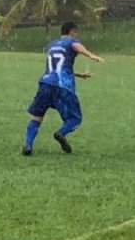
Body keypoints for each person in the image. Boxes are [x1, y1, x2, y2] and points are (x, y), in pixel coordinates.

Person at [22, 21, 104, 156]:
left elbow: (57, 67)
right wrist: (91, 55)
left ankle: (28, 145)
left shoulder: (52, 45)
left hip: (46, 82)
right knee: (75, 119)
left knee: (37, 116)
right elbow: (76, 46)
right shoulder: (71, 42)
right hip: (62, 86)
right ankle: (61, 133)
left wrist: (78, 74)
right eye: (76, 33)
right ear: (72, 32)